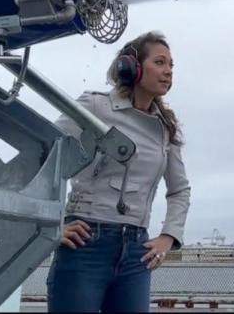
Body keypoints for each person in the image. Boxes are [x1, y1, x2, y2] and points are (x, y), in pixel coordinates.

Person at [46, 31, 191, 312]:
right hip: (85, 244)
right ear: (132, 66)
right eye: (160, 63)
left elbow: (179, 189)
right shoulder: (96, 106)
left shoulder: (165, 127)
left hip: (137, 252)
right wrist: (52, 224)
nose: (168, 71)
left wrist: (168, 237)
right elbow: (45, 154)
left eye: (172, 65)